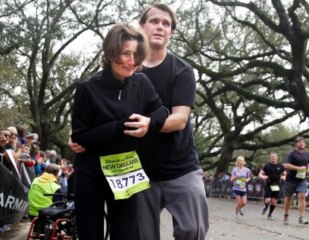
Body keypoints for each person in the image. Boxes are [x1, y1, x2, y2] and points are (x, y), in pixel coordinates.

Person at [69, 3, 209, 239]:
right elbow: (84, 125)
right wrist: (77, 134)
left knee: (191, 230)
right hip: (125, 168)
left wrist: (149, 124)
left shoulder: (172, 72)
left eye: (166, 23)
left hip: (173, 166)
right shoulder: (95, 83)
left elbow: (176, 117)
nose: (131, 62)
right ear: (141, 27)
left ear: (172, 32)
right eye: (154, 21)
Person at [70, 23, 168, 240]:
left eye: (136, 55)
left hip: (125, 169)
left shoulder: (141, 83)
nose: (132, 61)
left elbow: (161, 110)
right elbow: (80, 136)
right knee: (90, 234)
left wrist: (149, 123)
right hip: (91, 171)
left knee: (126, 235)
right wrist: (118, 127)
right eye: (126, 54)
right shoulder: (87, 88)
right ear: (111, 52)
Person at [283, 136, 309, 225]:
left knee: (302, 196)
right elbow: (286, 165)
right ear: (296, 144)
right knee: (288, 198)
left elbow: (308, 163)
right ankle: (286, 215)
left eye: (303, 142)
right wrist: (298, 168)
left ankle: (302, 217)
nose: (302, 143)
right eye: (299, 142)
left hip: (301, 180)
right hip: (291, 180)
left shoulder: (306, 154)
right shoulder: (292, 154)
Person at [259, 151, 286, 220]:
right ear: (270, 158)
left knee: (274, 202)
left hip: (276, 185)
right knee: (268, 200)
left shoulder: (280, 166)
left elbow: (285, 173)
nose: (273, 158)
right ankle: (265, 207)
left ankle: (270, 214)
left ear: (277, 158)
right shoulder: (267, 166)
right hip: (268, 185)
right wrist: (262, 177)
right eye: (272, 156)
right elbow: (260, 174)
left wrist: (284, 177)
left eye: (274, 156)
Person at [230, 156, 251, 221]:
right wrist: (236, 177)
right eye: (240, 160)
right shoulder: (234, 169)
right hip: (236, 188)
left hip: (243, 188)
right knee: (239, 202)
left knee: (244, 202)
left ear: (244, 162)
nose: (241, 162)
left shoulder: (247, 170)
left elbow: (249, 177)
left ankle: (241, 208)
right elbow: (231, 180)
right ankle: (236, 214)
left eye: (242, 160)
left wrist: (247, 180)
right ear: (238, 162)